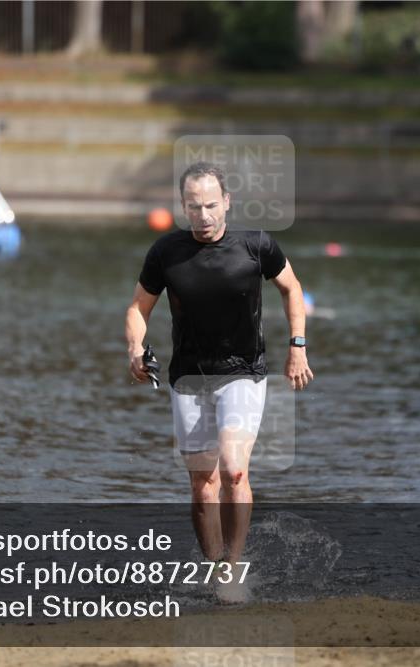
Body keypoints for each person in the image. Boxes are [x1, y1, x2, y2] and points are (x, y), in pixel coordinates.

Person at [125, 161, 313, 602]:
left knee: (234, 469)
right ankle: (213, 569)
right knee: (201, 484)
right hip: (188, 377)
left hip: (243, 373)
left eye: (211, 205)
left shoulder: (256, 245)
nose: (204, 215)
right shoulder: (166, 252)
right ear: (183, 207)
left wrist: (298, 345)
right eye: (194, 207)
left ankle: (233, 567)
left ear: (226, 202)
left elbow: (292, 287)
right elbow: (138, 307)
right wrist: (136, 348)